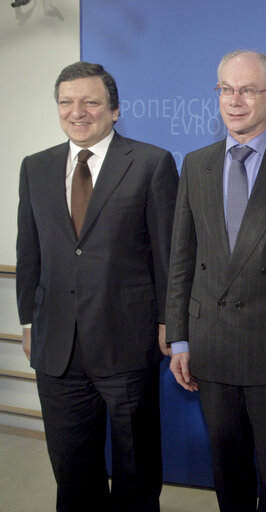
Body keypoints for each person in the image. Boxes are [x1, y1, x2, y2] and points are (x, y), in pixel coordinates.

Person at [164, 50, 266, 512]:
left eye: (248, 90)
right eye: (225, 89)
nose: (234, 100)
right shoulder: (195, 164)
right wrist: (179, 339)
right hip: (210, 345)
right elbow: (182, 259)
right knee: (228, 469)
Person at [15, 61, 178, 512]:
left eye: (90, 101)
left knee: (136, 466)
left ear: (115, 110)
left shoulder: (151, 163)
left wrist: (170, 319)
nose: (77, 111)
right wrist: (27, 320)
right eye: (67, 102)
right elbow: (29, 252)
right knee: (71, 468)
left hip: (127, 339)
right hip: (56, 343)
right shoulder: (36, 167)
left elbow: (168, 254)